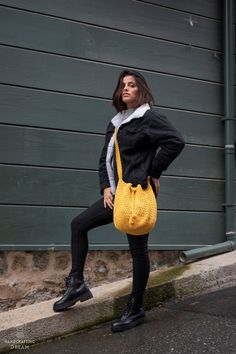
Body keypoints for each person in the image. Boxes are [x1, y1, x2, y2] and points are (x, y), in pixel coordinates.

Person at [53, 69, 185, 332]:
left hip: (136, 193)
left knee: (138, 250)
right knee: (79, 224)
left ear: (141, 91)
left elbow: (176, 141)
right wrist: (105, 187)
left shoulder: (148, 118)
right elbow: (105, 158)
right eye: (122, 85)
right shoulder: (116, 122)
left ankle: (136, 309)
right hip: (117, 193)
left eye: (132, 85)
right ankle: (77, 284)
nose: (125, 88)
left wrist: (152, 172)